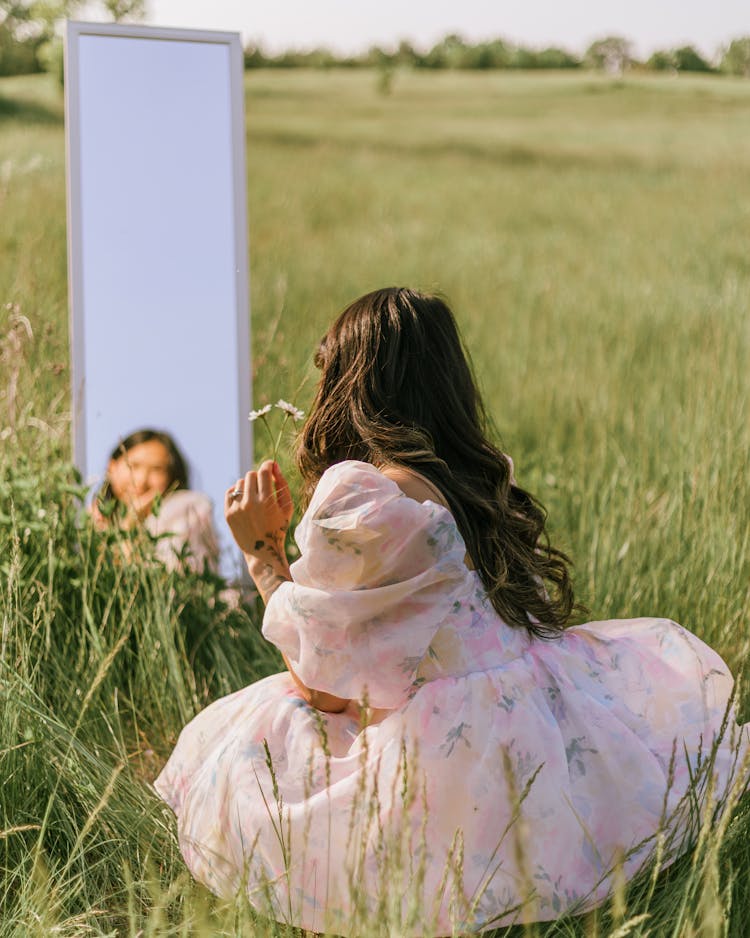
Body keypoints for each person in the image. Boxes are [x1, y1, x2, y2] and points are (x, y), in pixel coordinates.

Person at [155, 288, 748, 935]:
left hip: (458, 756)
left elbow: (323, 688)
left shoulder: (364, 494)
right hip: (534, 717)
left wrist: (262, 553)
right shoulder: (472, 476)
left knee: (255, 728)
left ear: (349, 384)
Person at [94, 428, 219, 574]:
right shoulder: (92, 524)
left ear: (171, 477)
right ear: (112, 467)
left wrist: (129, 525)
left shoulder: (188, 511)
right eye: (133, 466)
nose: (141, 480)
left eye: (156, 470)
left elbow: (168, 581)